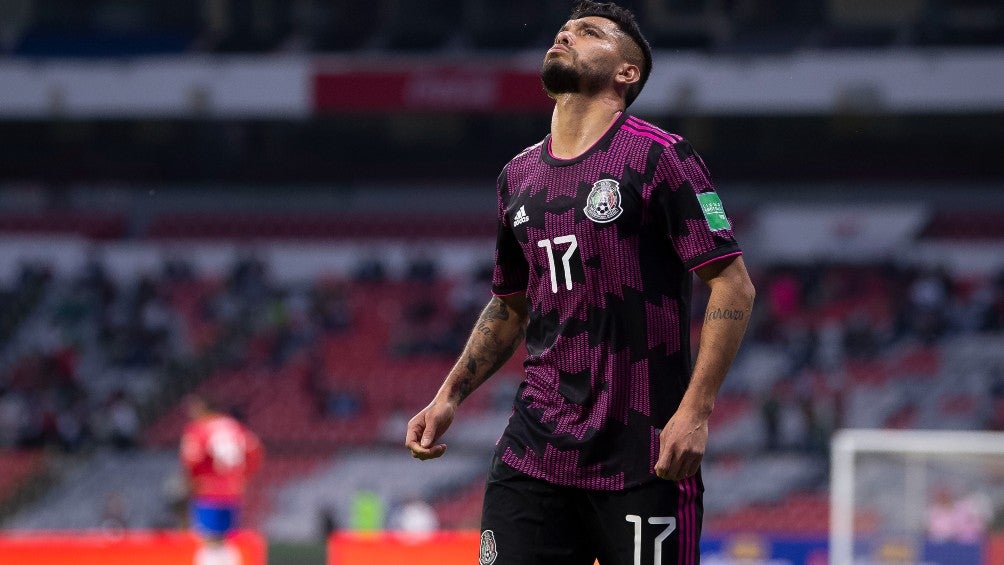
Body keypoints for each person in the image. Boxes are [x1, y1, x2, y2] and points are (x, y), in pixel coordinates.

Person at [405, 2, 756, 563]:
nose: (565, 35)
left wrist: (696, 411)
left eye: (588, 33)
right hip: (533, 451)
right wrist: (449, 395)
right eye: (562, 30)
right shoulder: (516, 176)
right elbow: (510, 305)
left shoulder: (661, 157)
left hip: (644, 452)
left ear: (627, 72)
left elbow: (733, 285)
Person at [180, 395, 263, 565]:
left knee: (208, 539)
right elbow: (255, 450)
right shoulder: (235, 426)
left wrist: (191, 482)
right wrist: (244, 477)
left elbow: (191, 459)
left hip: (208, 490)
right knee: (227, 539)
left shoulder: (199, 429)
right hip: (233, 491)